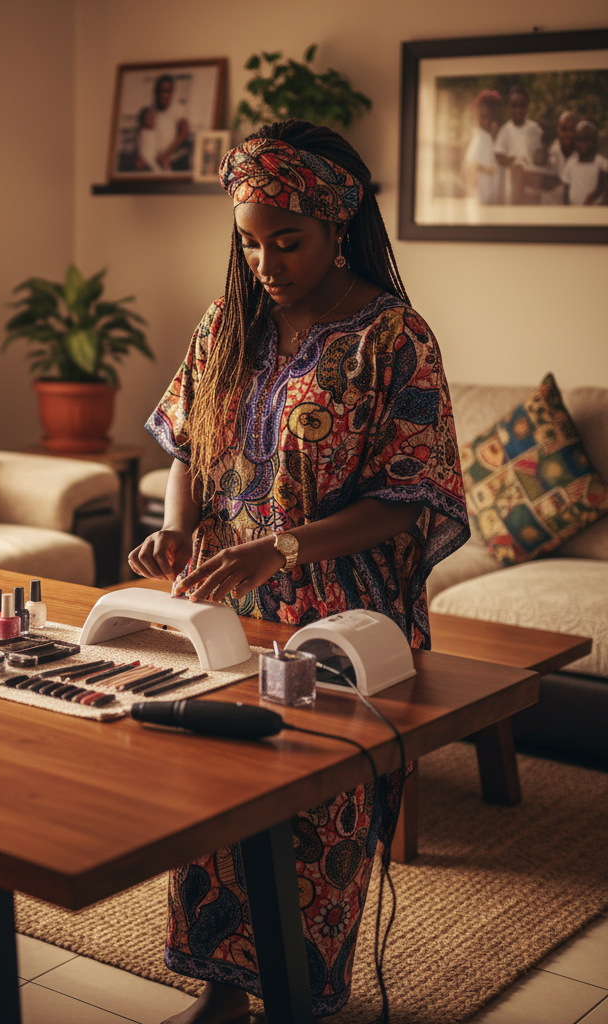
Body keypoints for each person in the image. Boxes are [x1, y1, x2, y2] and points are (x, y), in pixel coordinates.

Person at [131, 119, 469, 1024]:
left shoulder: (394, 337)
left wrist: (279, 547)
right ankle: (218, 988)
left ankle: (294, 996)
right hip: (225, 609)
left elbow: (409, 497)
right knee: (209, 795)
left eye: (288, 241)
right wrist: (176, 531)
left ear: (337, 227)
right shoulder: (227, 323)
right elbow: (185, 447)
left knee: (318, 816)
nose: (266, 261)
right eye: (249, 241)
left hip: (341, 618)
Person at [493, 85, 544, 204]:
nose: (518, 110)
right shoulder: (506, 130)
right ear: (508, 108)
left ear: (527, 107)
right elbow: (498, 156)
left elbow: (540, 155)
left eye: (522, 106)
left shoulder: (534, 129)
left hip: (530, 183)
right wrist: (513, 161)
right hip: (511, 182)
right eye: (514, 106)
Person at [137, 74, 191, 172]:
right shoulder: (151, 111)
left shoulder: (178, 109)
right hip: (153, 156)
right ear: (156, 92)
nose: (163, 95)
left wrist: (166, 153)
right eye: (160, 91)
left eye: (167, 91)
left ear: (172, 92)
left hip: (172, 156)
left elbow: (184, 134)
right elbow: (143, 136)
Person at [462, 89, 502, 204]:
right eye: (481, 116)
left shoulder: (487, 136)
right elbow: (471, 163)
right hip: (481, 193)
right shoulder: (480, 136)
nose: (485, 121)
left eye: (488, 117)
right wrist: (490, 170)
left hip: (488, 192)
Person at [560, 120, 608, 205]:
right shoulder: (571, 164)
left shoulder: (601, 164)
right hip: (574, 211)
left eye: (586, 140)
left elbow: (603, 189)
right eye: (579, 140)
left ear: (594, 142)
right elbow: (566, 192)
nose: (582, 144)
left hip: (594, 212)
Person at [541, 110, 578, 204]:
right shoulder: (552, 151)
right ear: (558, 129)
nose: (568, 134)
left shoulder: (581, 154)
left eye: (572, 129)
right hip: (553, 205)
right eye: (564, 129)